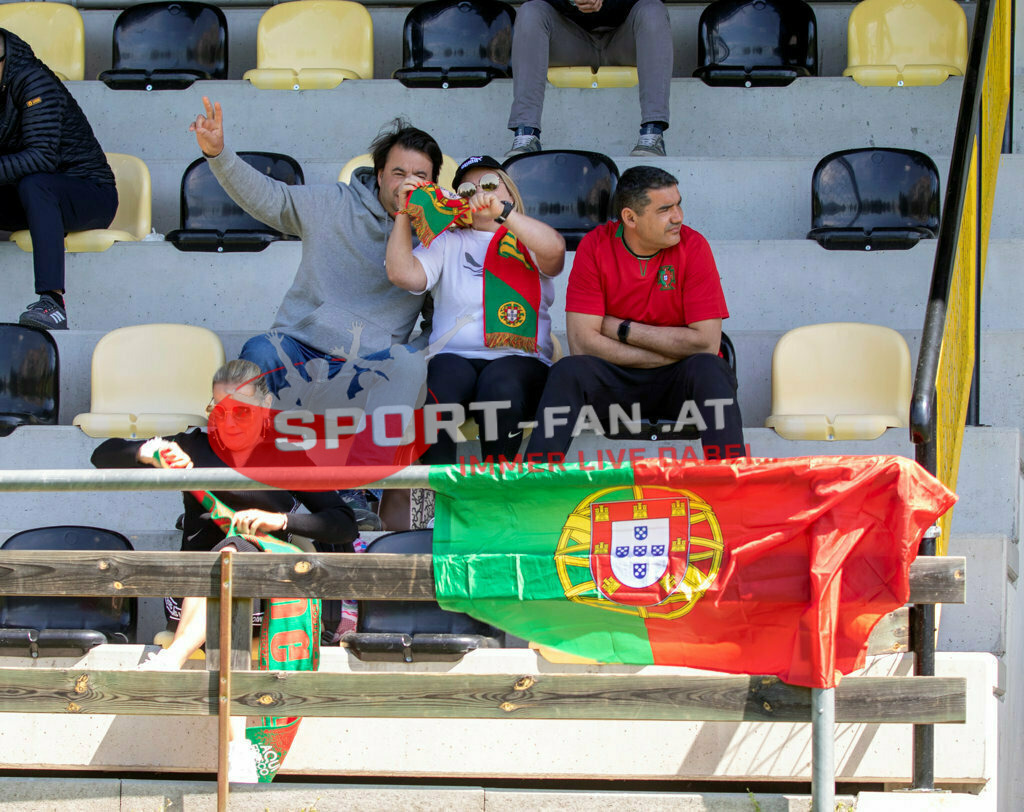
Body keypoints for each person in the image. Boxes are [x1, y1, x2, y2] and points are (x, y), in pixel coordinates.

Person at [189, 97, 441, 395]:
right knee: (260, 353)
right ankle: (247, 441)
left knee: (407, 372)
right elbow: (272, 199)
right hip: (298, 348)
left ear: (433, 183)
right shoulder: (333, 202)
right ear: (380, 175)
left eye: (419, 176)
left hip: (370, 364)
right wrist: (218, 155)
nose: (406, 184)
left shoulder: (436, 239)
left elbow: (439, 317)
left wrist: (411, 355)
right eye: (398, 173)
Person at [91, 359, 359, 626]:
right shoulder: (194, 446)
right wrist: (146, 453)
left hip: (262, 595)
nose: (228, 423)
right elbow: (102, 454)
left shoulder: (285, 454)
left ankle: (175, 655)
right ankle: (179, 651)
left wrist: (281, 520)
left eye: (241, 411)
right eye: (219, 411)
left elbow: (344, 524)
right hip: (193, 591)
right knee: (228, 556)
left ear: (265, 407)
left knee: (236, 549)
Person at [524, 165, 744, 460]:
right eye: (665, 209)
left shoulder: (694, 246)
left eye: (679, 205)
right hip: (617, 387)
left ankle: (733, 484)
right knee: (568, 371)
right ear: (630, 217)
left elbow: (706, 343)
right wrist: (665, 354)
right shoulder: (595, 246)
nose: (678, 217)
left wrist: (621, 328)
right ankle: (533, 484)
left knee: (710, 367)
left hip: (679, 386)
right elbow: (582, 343)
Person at [387, 155, 566, 464]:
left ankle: (494, 490)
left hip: (519, 361)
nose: (480, 194)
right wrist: (405, 213)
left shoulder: (528, 237)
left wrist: (503, 215)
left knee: (500, 387)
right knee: (434, 393)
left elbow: (555, 252)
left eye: (489, 185)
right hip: (454, 358)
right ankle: (441, 499)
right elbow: (403, 274)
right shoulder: (447, 241)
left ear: (509, 193)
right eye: (468, 190)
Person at [0, 30, 118, 330]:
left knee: (36, 183)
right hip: (32, 197)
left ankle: (52, 302)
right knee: (33, 186)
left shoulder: (33, 80)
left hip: (89, 192)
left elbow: (42, 158)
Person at [505, 0, 672, 158]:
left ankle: (653, 134)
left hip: (625, 38)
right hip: (569, 40)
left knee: (653, 10)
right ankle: (527, 134)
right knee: (530, 12)